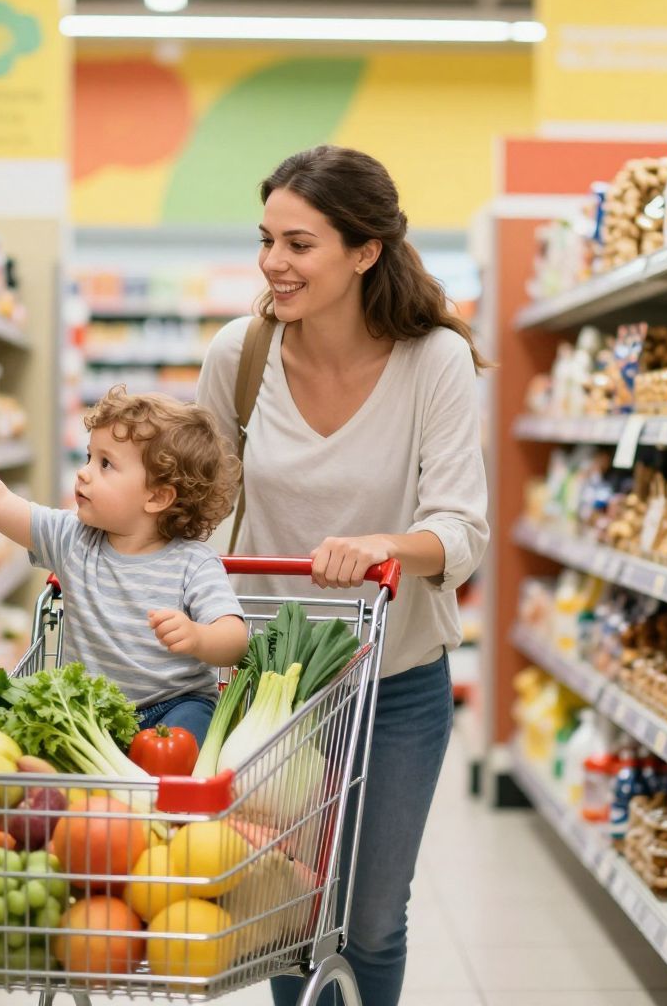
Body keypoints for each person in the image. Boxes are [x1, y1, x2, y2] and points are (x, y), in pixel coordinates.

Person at [197, 144, 490, 1006]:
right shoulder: (239, 356)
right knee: (287, 906)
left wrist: (387, 547)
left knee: (369, 920)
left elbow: (461, 527)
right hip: (272, 688)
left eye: (299, 244)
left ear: (365, 251)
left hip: (395, 681)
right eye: (267, 241)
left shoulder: (431, 359)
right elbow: (197, 503)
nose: (273, 265)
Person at [0, 386, 248, 744]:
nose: (84, 473)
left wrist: (198, 637)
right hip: (90, 712)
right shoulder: (72, 539)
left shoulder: (194, 564)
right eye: (89, 457)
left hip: (174, 706)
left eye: (105, 464)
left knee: (190, 731)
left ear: (157, 496)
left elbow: (234, 639)